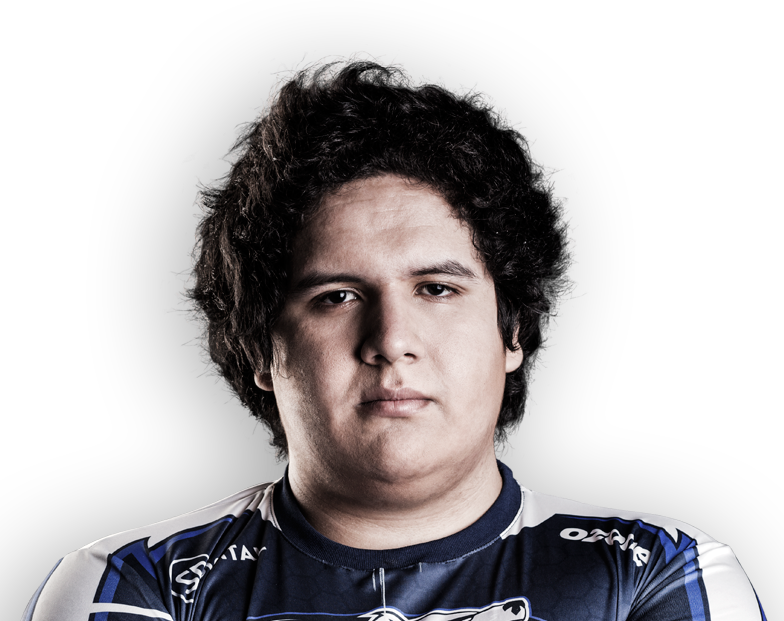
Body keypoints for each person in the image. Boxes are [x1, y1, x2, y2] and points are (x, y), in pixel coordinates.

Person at [23, 50, 764, 621]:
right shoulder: (128, 584)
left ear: (512, 330)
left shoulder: (659, 572)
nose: (391, 339)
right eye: (337, 296)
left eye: (437, 288)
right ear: (261, 350)